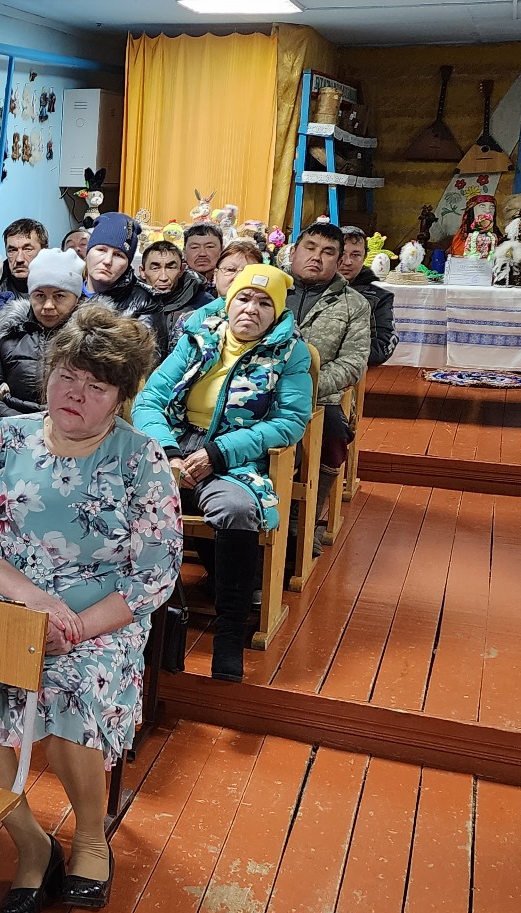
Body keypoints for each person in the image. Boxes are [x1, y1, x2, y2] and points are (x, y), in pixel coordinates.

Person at [0, 303, 181, 913]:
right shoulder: (6, 438)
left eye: (96, 387)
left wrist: (72, 626)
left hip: (99, 620)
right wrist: (33, 602)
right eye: (67, 376)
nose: (75, 393)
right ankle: (32, 843)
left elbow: (154, 574)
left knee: (70, 691)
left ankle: (91, 839)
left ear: (121, 398)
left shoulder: (142, 459)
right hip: (12, 603)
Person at [133, 266, 312, 682]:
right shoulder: (198, 337)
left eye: (264, 303)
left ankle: (229, 631)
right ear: (228, 302)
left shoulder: (289, 353)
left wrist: (218, 453)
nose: (251, 309)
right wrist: (169, 452)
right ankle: (142, 616)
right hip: (175, 446)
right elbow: (149, 399)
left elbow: (290, 421)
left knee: (236, 510)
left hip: (234, 456)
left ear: (276, 312)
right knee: (125, 498)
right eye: (243, 298)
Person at [286, 222, 371, 552]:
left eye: (328, 252)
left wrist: (307, 385)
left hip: (321, 398)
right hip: (259, 388)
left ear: (338, 261)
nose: (316, 257)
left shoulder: (354, 304)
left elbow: (353, 362)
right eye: (309, 248)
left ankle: (304, 520)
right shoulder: (269, 290)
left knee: (334, 432)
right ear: (293, 251)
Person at [0, 247, 84, 427]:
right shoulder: (8, 333)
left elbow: (103, 400)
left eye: (59, 296)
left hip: (74, 432)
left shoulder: (93, 338)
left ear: (76, 298)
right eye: (40, 296)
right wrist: (26, 428)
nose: (48, 305)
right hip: (14, 430)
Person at [83, 212, 160, 346]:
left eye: (118, 255)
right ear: (88, 252)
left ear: (128, 263)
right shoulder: (64, 291)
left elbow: (150, 354)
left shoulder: (144, 303)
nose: (107, 261)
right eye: (101, 250)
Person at [338, 225, 398, 366]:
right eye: (342, 254)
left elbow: (383, 346)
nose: (347, 262)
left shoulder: (379, 298)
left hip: (353, 370)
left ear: (365, 257)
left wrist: (341, 358)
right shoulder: (312, 289)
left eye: (355, 255)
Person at [141, 239, 213, 353]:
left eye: (171, 267)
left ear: (182, 270)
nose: (163, 277)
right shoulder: (130, 302)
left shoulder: (204, 304)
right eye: (155, 268)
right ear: (142, 272)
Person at [0, 218, 49, 299]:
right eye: (12, 250)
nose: (19, 259)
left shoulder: (62, 286)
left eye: (28, 249)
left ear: (44, 251)